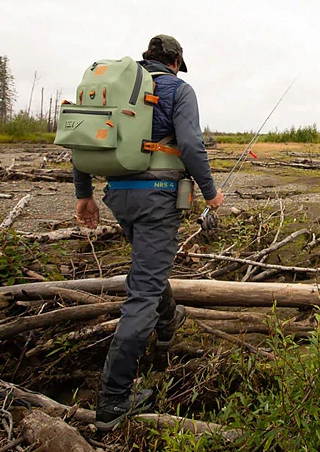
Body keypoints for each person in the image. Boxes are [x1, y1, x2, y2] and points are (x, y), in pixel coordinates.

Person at [71, 35, 225, 431]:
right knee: (143, 289)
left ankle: (169, 321)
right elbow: (191, 145)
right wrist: (211, 193)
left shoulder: (120, 88)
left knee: (148, 269)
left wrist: (84, 195)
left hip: (118, 196)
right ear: (176, 61)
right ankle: (114, 398)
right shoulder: (179, 89)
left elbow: (84, 137)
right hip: (157, 199)